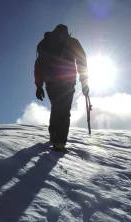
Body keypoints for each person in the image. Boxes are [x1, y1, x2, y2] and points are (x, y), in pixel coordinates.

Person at [34, 24, 89, 152]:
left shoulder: (45, 43)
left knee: (56, 107)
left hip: (50, 82)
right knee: (63, 110)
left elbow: (38, 65)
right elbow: (82, 61)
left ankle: (54, 135)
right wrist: (84, 82)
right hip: (67, 81)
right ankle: (59, 143)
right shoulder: (71, 42)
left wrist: (39, 86)